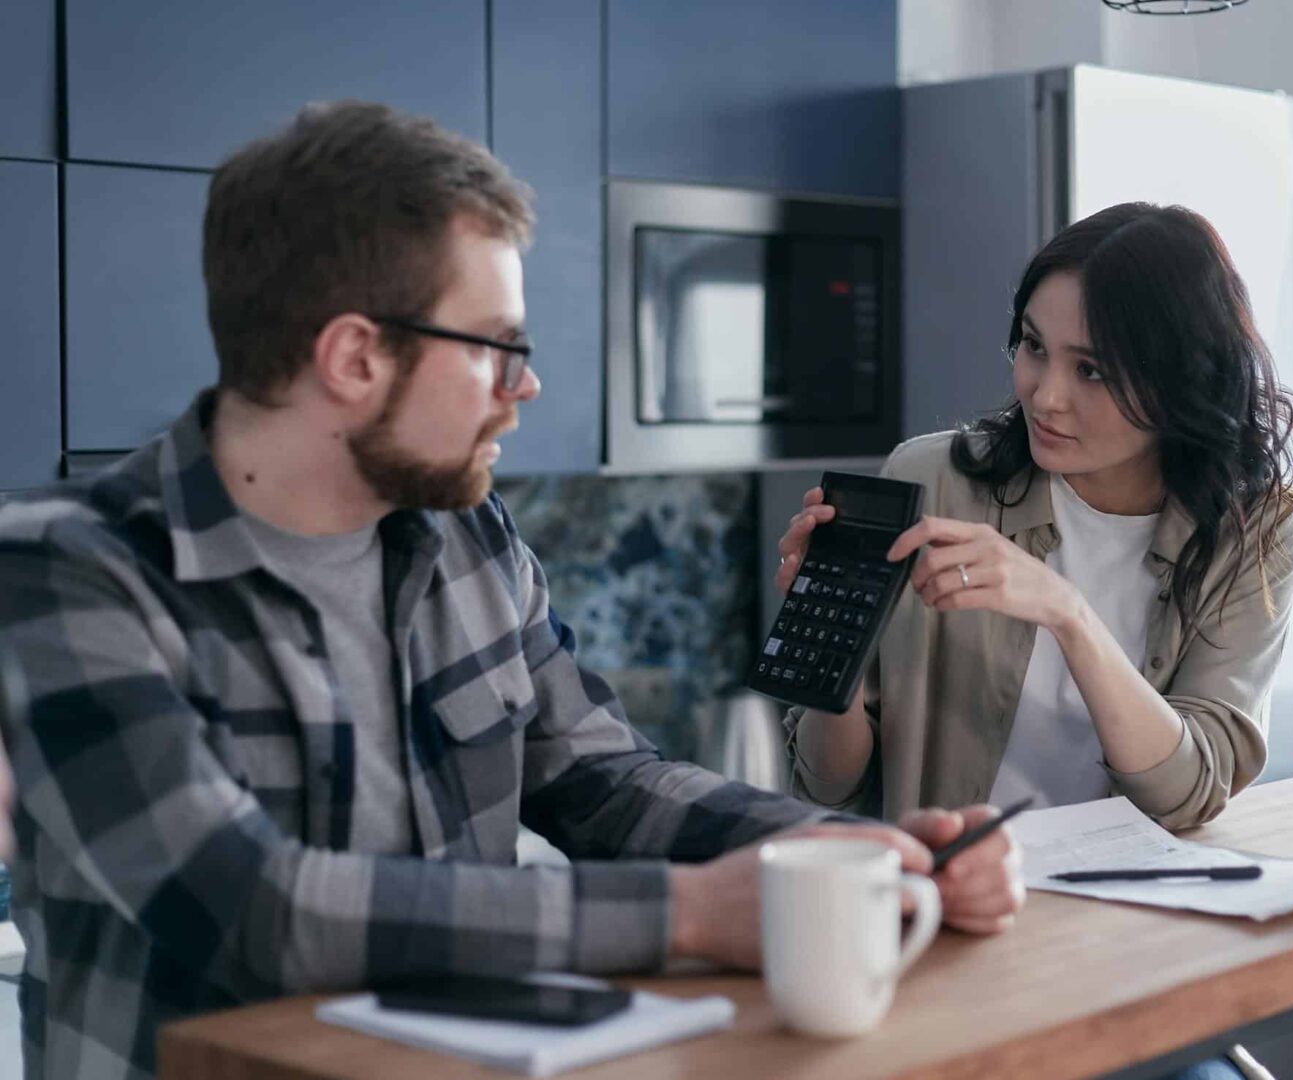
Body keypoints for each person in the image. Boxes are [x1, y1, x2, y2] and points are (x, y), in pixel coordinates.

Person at [0, 101, 1022, 1080]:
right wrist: (691, 914)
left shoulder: (463, 532)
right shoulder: (73, 573)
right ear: (355, 355)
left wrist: (851, 853)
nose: (523, 386)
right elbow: (254, 910)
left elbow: (607, 784)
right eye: (497, 346)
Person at [780, 201, 1293, 831]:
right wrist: (829, 643)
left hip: (1131, 916)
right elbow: (827, 787)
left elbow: (1188, 794)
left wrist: (1069, 614)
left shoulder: (1258, 536)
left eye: (1091, 370)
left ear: (1183, 385)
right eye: (1035, 346)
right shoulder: (930, 484)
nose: (1045, 394)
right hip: (952, 899)